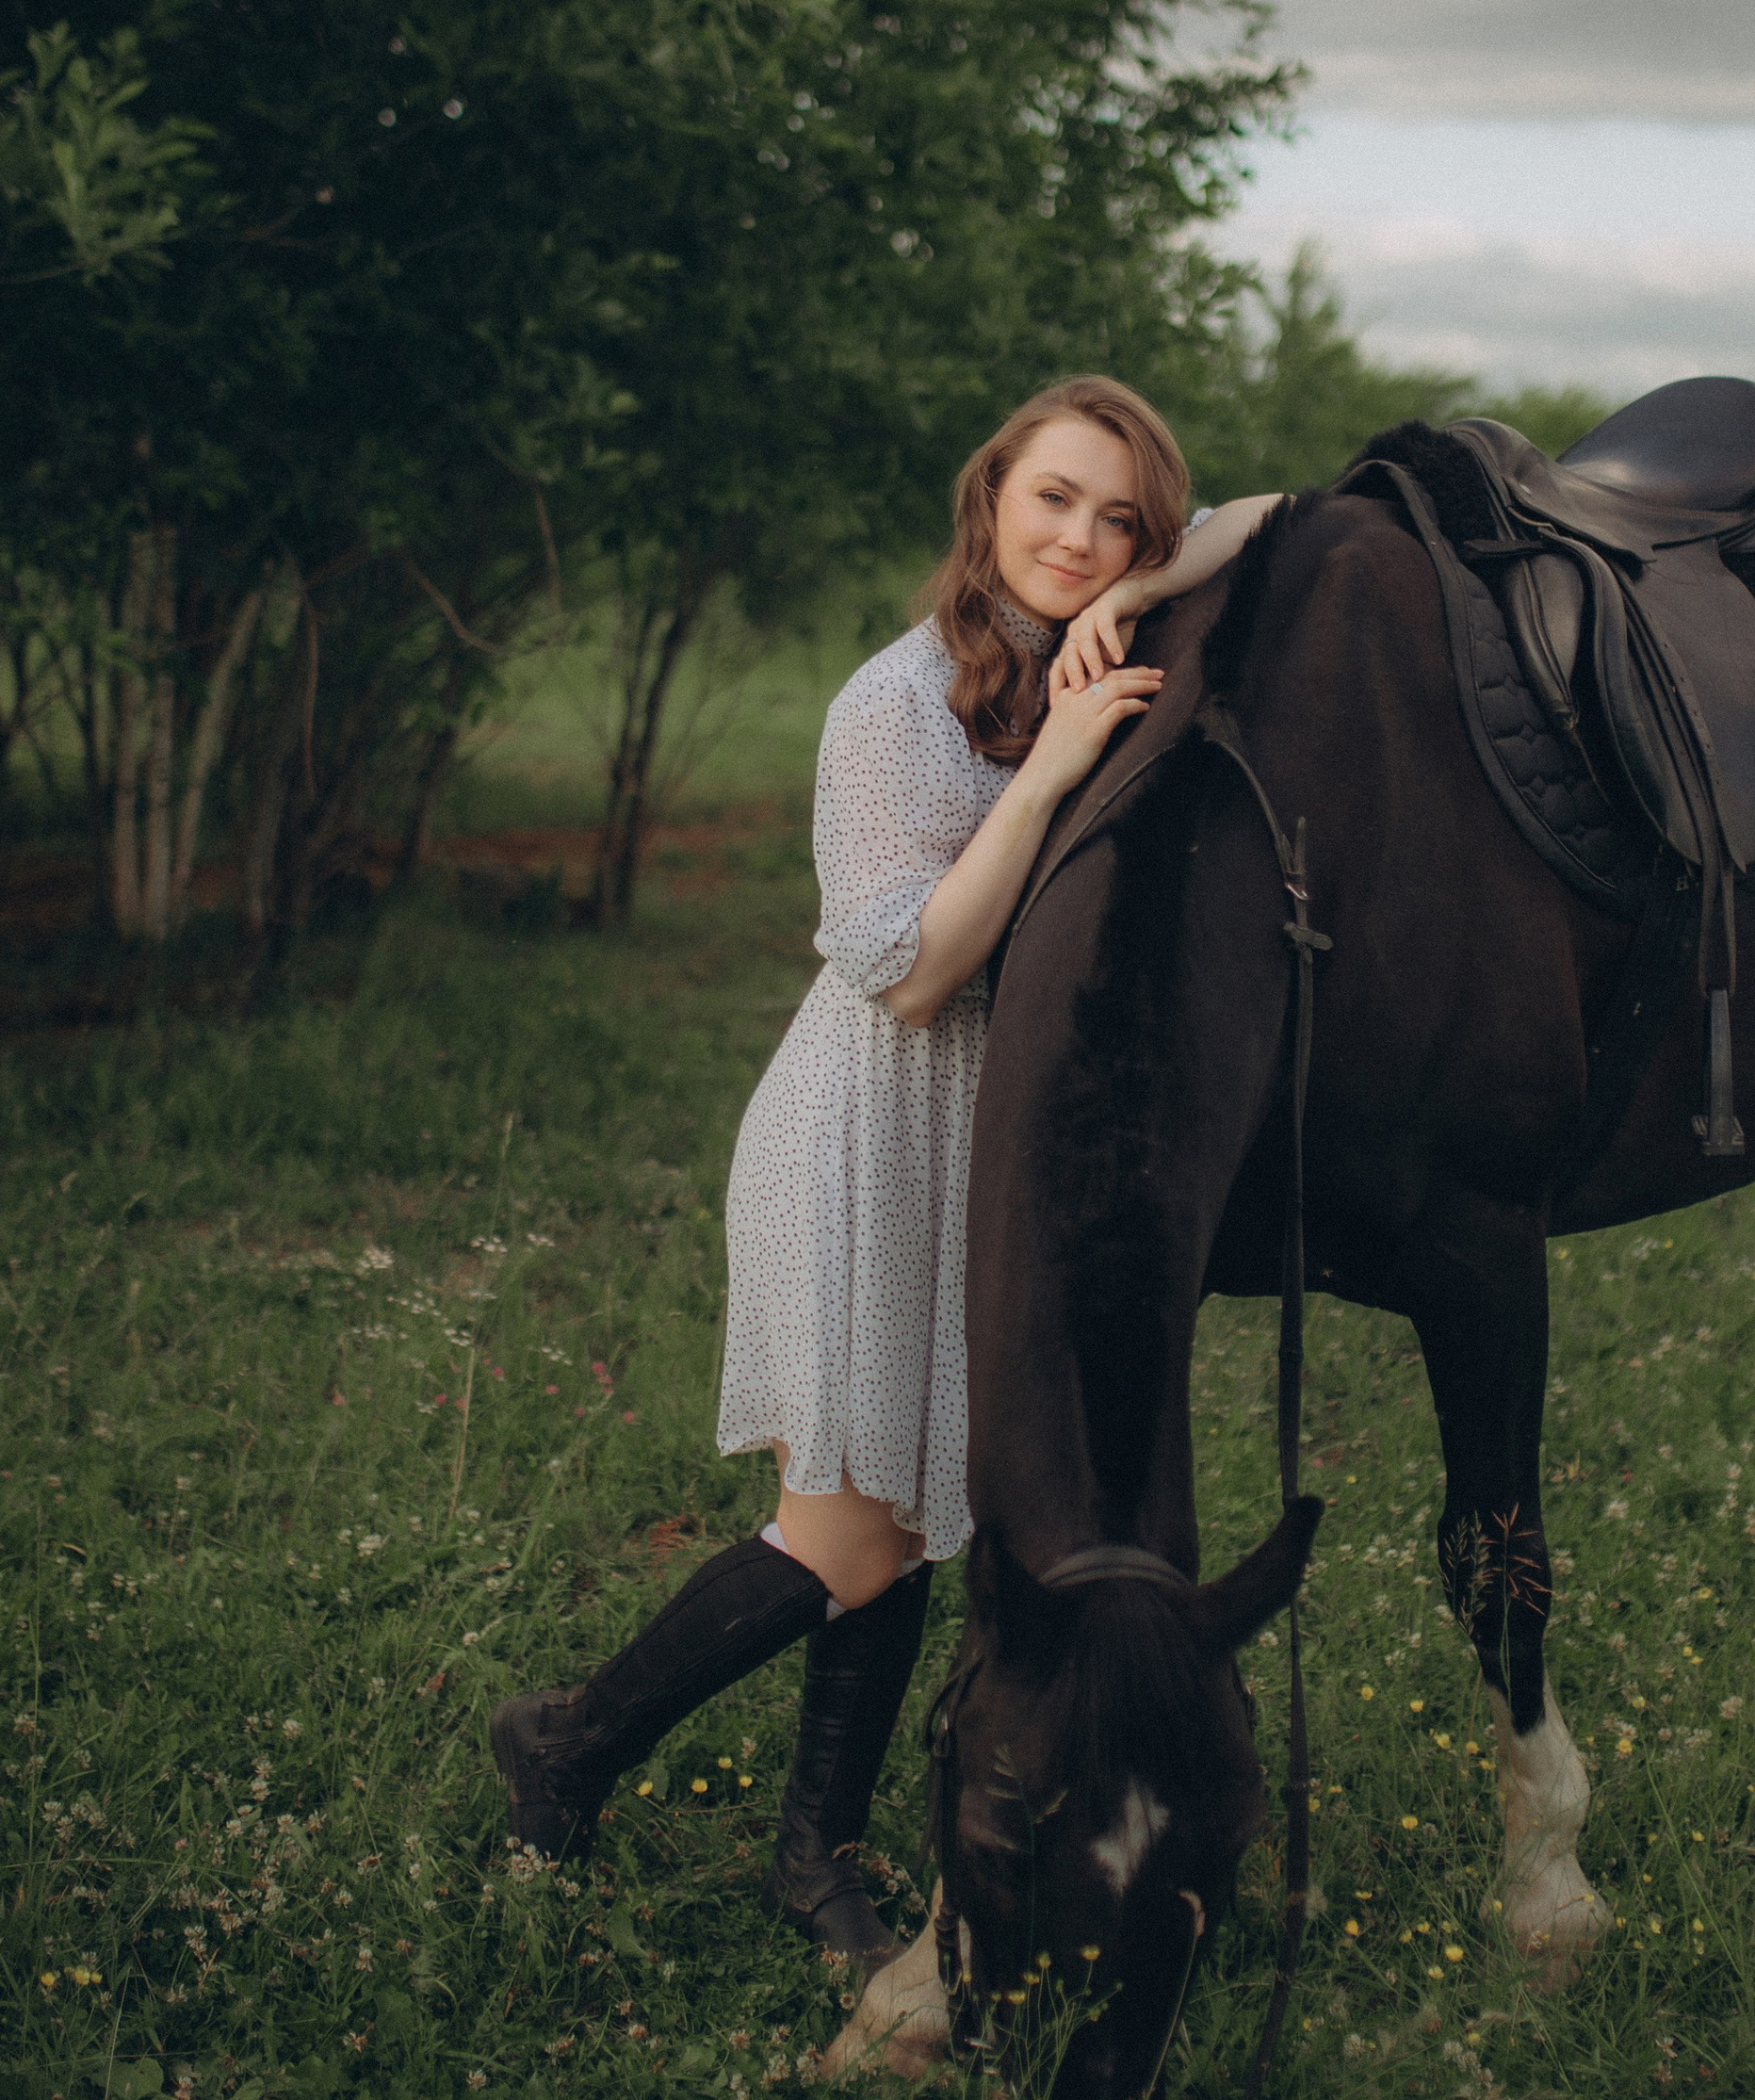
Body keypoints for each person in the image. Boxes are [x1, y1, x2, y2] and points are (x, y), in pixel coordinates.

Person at [490, 378, 1279, 1973]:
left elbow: (1272, 520)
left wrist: (1143, 584)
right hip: (861, 1134)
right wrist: (1055, 766)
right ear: (988, 495)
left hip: (981, 1152)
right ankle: (569, 1741)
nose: (1080, 537)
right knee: (845, 1534)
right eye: (1055, 499)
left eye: (1120, 516)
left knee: (915, 1521)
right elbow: (908, 974)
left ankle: (814, 1857)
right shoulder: (896, 701)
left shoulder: (1094, 634)